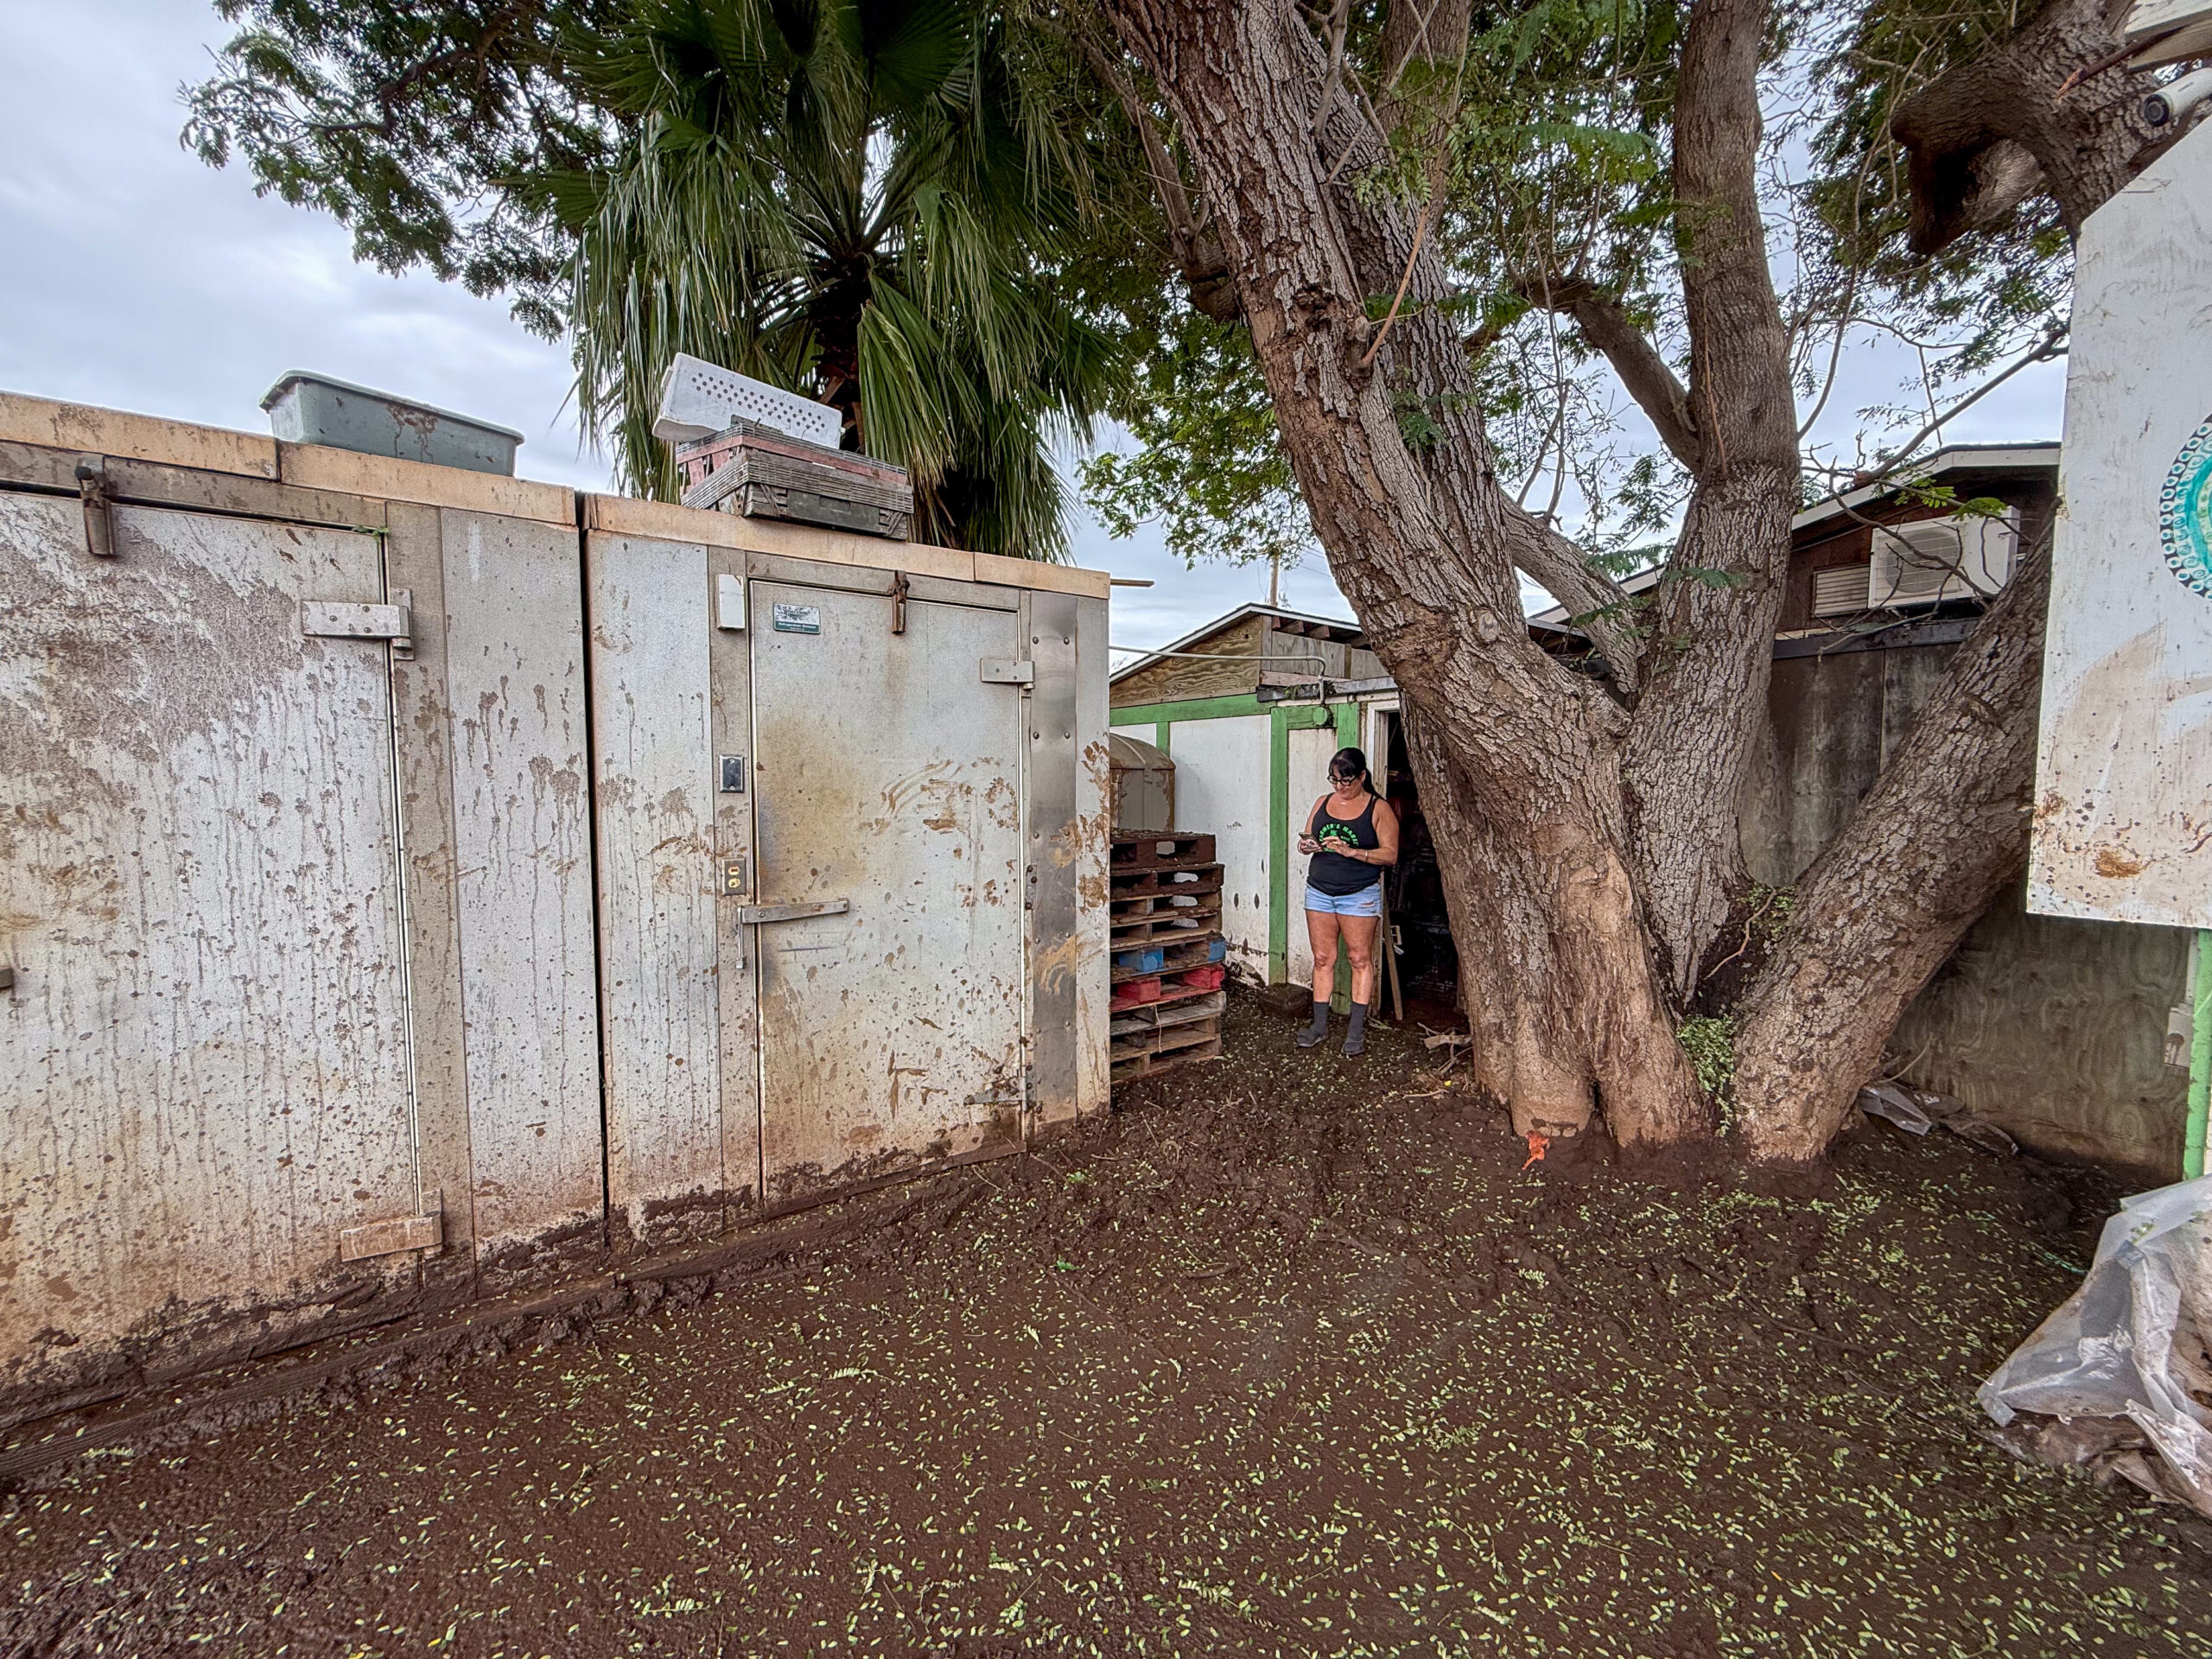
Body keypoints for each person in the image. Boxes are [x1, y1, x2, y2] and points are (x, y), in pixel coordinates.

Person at [1294, 746, 1398, 1056]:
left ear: (1362, 777)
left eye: (1346, 781)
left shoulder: (1378, 809)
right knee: (1323, 959)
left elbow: (1390, 855)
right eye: (1334, 780)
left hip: (1359, 894)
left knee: (1358, 959)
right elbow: (1309, 836)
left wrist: (1352, 851)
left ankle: (1355, 1032)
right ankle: (1319, 1026)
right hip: (1319, 890)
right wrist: (1307, 845)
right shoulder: (1322, 803)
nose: (1340, 786)